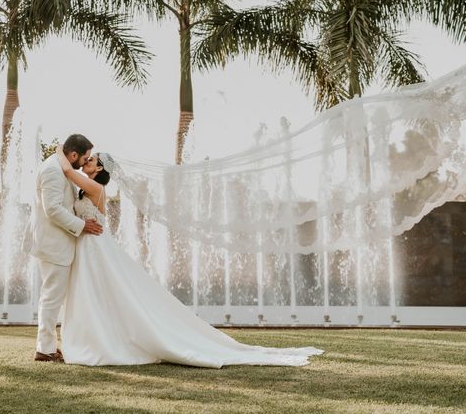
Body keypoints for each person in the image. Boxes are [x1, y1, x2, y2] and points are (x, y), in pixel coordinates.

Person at [55, 145, 323, 368]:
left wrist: (59, 150)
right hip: (88, 246)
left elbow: (67, 169)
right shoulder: (84, 188)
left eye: (90, 159)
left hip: (96, 247)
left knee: (102, 293)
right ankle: (94, 337)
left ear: (100, 168)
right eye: (86, 158)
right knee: (93, 294)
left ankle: (100, 342)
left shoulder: (95, 188)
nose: (86, 161)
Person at [26, 134, 103, 362]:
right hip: (54, 244)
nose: (85, 162)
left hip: (60, 244)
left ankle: (49, 345)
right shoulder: (52, 170)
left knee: (54, 297)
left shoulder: (61, 165)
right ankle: (45, 349)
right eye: (85, 157)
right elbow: (52, 209)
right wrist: (82, 225)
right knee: (52, 297)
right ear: (73, 155)